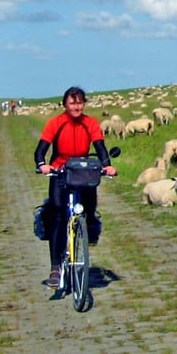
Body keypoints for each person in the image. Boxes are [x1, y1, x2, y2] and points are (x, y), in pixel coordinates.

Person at [34, 86, 116, 288]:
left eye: (80, 102)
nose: (76, 106)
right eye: (72, 102)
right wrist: (43, 165)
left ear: (84, 104)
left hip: (83, 170)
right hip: (60, 171)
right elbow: (41, 150)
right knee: (58, 215)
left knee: (88, 210)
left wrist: (107, 166)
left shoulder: (90, 123)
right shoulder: (56, 123)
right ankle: (55, 268)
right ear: (65, 104)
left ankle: (89, 230)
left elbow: (100, 147)